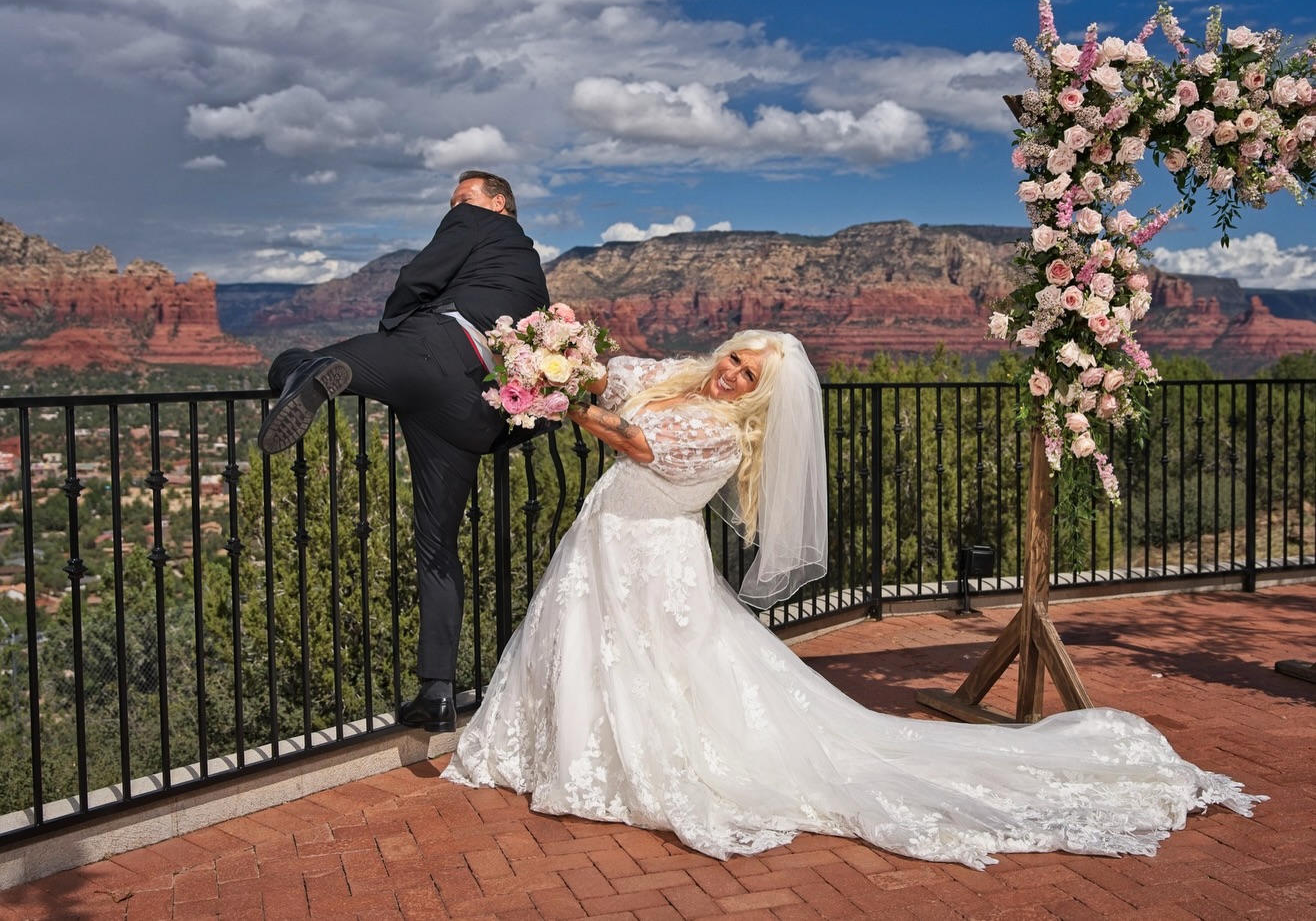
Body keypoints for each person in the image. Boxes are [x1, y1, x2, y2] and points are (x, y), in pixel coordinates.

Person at [441, 330, 1264, 869]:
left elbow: (634, 439)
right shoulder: (691, 383)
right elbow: (622, 367)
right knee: (593, 652)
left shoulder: (724, 432)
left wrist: (552, 401)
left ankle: (612, 765)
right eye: (731, 358)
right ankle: (559, 750)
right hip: (608, 544)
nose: (728, 373)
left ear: (762, 395)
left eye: (745, 374)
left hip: (648, 561)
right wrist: (555, 356)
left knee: (656, 672)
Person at [258, 170, 549, 733]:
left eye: (463, 197)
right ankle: (436, 693)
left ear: (499, 203)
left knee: (302, 359)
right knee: (438, 546)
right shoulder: (529, 267)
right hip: (476, 410)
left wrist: (393, 329)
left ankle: (311, 376)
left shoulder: (475, 220)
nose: (454, 206)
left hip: (432, 351)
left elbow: (418, 275)